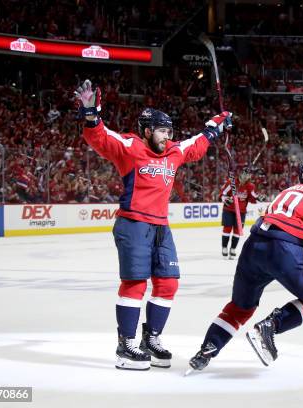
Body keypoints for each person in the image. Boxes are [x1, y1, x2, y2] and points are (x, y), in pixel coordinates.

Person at [74, 79, 233, 370]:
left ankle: (152, 339)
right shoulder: (130, 147)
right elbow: (100, 137)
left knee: (168, 283)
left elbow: (195, 145)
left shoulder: (173, 150)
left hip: (161, 227)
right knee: (135, 283)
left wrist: (216, 126)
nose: (167, 136)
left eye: (169, 131)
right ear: (147, 131)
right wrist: (90, 114)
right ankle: (126, 347)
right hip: (133, 223)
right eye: (162, 130)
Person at [188, 161, 303, 372]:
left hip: (254, 246)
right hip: (283, 249)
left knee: (240, 307)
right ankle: (271, 325)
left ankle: (206, 351)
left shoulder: (287, 192)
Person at [220, 167, 262, 259]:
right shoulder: (231, 182)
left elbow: (252, 198)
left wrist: (258, 198)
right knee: (227, 228)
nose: (246, 177)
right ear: (241, 174)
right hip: (229, 210)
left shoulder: (250, 186)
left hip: (241, 212)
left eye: (248, 175)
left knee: (237, 231)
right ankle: (224, 247)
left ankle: (233, 249)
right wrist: (226, 199)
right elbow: (223, 194)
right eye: (245, 174)